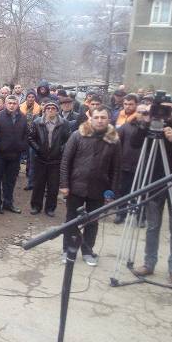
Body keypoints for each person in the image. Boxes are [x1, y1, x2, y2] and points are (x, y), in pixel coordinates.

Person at [132, 99, 172, 286]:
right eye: (160, 110)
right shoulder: (150, 127)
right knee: (152, 227)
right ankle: (149, 263)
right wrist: (145, 122)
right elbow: (135, 143)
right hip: (154, 184)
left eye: (168, 110)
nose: (164, 114)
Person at [60, 105, 121, 266]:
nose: (100, 120)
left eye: (103, 117)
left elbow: (116, 169)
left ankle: (87, 251)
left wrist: (111, 192)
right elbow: (66, 161)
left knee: (92, 222)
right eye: (96, 117)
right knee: (71, 220)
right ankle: (67, 249)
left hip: (99, 188)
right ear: (91, 118)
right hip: (76, 186)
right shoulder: (77, 135)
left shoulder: (114, 141)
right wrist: (64, 184)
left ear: (109, 120)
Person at [28, 101, 70, 217]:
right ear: (44, 110)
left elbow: (68, 139)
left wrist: (61, 149)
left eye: (53, 108)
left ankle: (50, 208)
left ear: (57, 110)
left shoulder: (64, 123)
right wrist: (38, 148)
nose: (50, 110)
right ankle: (36, 206)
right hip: (40, 159)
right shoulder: (37, 122)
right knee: (38, 184)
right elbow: (30, 137)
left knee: (53, 186)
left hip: (56, 160)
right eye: (48, 108)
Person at [0, 95, 28, 214]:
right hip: (0, 154)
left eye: (14, 103)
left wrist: (22, 146)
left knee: (10, 181)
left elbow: (26, 134)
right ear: (5, 104)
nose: (12, 105)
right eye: (9, 103)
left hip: (15, 154)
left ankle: (8, 203)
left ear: (17, 104)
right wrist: (0, 145)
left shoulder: (23, 117)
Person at [114, 103, 148, 224]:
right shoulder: (126, 126)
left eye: (145, 112)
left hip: (144, 165)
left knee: (142, 192)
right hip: (126, 164)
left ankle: (141, 217)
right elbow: (117, 142)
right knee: (123, 191)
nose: (141, 115)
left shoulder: (151, 129)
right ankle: (121, 214)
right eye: (139, 112)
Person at [20, 90, 41, 191]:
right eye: (29, 97)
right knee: (22, 156)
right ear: (26, 98)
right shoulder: (20, 107)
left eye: (33, 97)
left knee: (32, 159)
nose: (31, 99)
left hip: (33, 137)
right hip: (22, 135)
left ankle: (31, 182)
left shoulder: (39, 109)